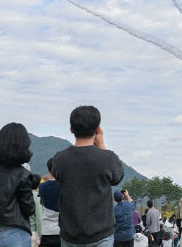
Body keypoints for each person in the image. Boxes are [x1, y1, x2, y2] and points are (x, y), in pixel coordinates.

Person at [52, 106, 124, 247]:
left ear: (72, 129)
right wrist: (101, 143)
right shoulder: (107, 159)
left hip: (70, 235)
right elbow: (117, 177)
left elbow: (58, 177)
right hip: (101, 234)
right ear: (97, 129)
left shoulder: (59, 159)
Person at [39, 158, 61, 247]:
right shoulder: (67, 186)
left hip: (46, 231)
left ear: (48, 170)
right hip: (63, 231)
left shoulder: (42, 187)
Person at [30, 174, 44, 247]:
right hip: (33, 233)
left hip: (23, 231)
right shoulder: (37, 197)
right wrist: (41, 235)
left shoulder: (24, 195)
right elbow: (39, 217)